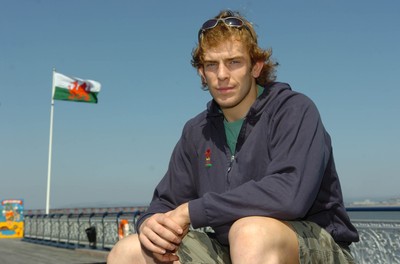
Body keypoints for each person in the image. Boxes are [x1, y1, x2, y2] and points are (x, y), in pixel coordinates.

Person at [107, 10, 359, 264]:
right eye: (212, 65)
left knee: (250, 234)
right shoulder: (197, 131)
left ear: (256, 67)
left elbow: (290, 195)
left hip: (314, 245)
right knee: (128, 252)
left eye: (234, 62)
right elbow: (165, 202)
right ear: (201, 73)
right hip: (232, 249)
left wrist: (193, 211)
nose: (222, 74)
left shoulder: (294, 110)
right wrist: (151, 224)